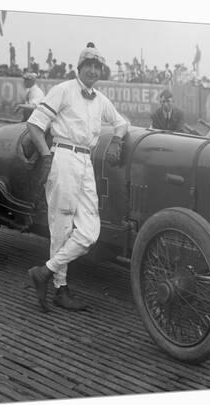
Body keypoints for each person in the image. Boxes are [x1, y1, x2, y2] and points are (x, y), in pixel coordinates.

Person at [25, 43, 128, 312]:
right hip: (63, 156)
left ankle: (44, 272)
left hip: (85, 161)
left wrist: (117, 140)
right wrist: (47, 156)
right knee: (62, 226)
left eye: (98, 67)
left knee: (89, 232)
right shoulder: (63, 90)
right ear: (79, 68)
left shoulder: (101, 99)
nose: (93, 70)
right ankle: (61, 288)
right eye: (89, 65)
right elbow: (34, 125)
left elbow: (122, 122)